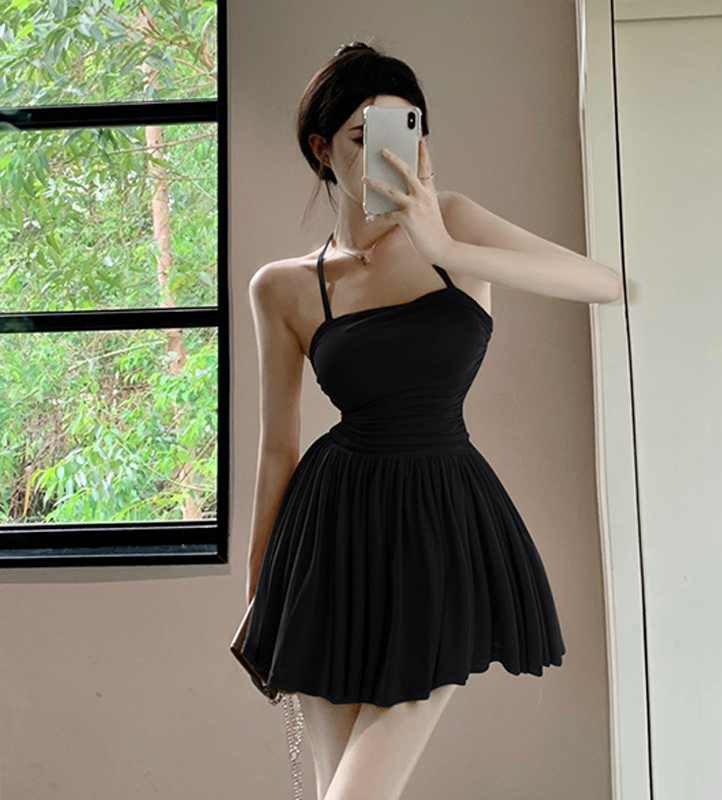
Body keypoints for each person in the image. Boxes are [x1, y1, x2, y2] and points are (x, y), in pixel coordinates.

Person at [240, 40, 622, 800]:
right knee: (336, 788)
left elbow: (600, 283)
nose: (393, 155)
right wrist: (260, 595)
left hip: (439, 525)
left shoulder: (455, 224)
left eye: (407, 130)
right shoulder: (282, 287)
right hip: (327, 538)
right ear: (321, 149)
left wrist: (441, 243)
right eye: (364, 137)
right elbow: (277, 448)